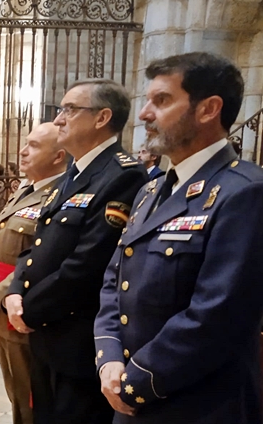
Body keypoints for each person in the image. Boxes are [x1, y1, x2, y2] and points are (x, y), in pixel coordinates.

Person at [94, 52, 263, 424]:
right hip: (130, 394)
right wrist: (108, 357)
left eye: (163, 100)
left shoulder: (246, 192)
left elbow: (219, 314)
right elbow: (114, 279)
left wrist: (137, 380)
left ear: (208, 109)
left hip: (199, 403)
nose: (144, 114)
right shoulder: (152, 190)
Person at [0, 79, 148, 424]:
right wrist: (14, 293)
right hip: (46, 334)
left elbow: (87, 265)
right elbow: (38, 244)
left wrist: (28, 310)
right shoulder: (74, 173)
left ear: (102, 118)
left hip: (75, 339)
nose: (58, 119)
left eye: (69, 109)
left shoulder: (121, 176)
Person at [0, 122, 67, 424]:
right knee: (15, 391)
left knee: (32, 398)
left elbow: (48, 256)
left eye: (34, 145)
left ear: (59, 156)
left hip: (23, 307)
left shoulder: (61, 195)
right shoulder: (25, 189)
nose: (22, 151)